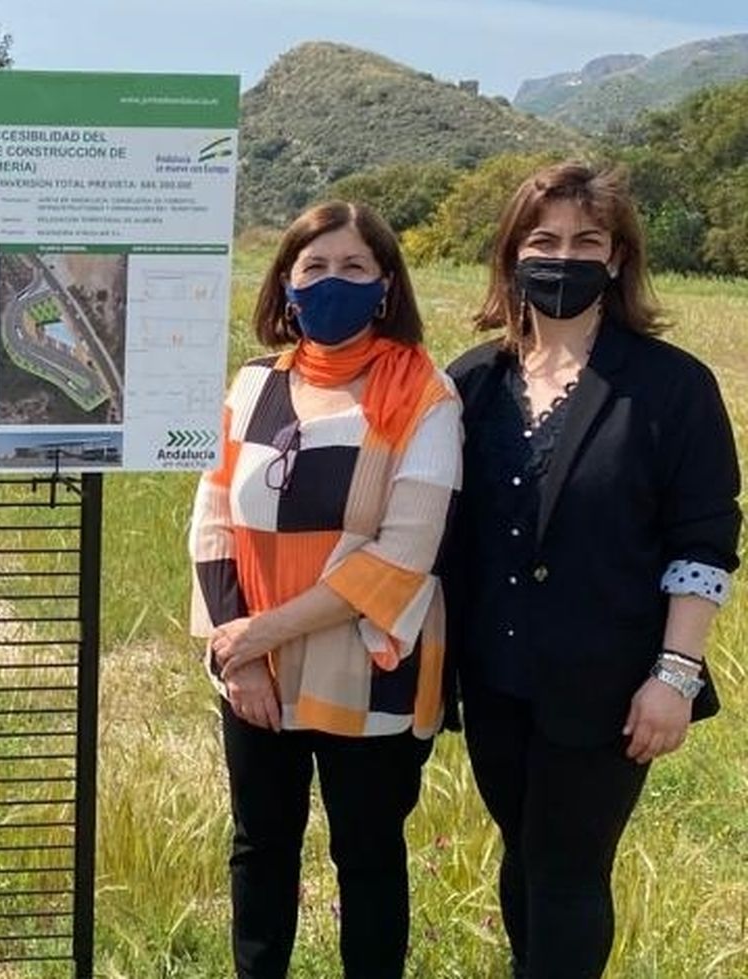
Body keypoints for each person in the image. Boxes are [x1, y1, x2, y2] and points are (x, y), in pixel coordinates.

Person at [445, 161, 739, 979]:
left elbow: (704, 541)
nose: (563, 256)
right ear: (512, 256)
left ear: (616, 259)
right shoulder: (471, 382)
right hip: (495, 678)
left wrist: (675, 675)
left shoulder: (672, 387)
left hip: (609, 687)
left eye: (587, 241)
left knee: (569, 871)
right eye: (544, 240)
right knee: (523, 851)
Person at [188, 201, 461, 978]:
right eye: (313, 267)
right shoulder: (250, 386)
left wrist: (262, 633)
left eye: (353, 267)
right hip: (254, 672)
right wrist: (235, 654)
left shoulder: (426, 395)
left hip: (371, 668)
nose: (330, 282)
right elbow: (211, 521)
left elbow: (400, 557)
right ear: (285, 282)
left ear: (385, 286)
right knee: (260, 843)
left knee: (368, 854)